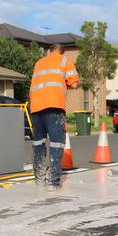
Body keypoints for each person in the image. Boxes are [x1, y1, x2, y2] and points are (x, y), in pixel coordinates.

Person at [29, 43, 79, 191]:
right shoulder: (65, 60)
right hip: (54, 106)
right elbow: (74, 83)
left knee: (38, 143)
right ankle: (52, 182)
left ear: (48, 51)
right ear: (61, 52)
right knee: (57, 143)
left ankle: (39, 178)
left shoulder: (39, 62)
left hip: (36, 107)